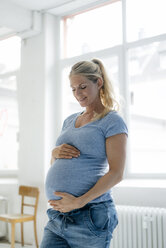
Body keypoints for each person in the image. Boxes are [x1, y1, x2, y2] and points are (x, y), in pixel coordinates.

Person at [40, 58, 128, 248]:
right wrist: (54, 152)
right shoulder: (69, 121)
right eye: (73, 89)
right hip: (57, 217)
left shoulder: (112, 121)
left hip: (90, 215)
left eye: (82, 87)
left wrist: (79, 202)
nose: (77, 94)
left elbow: (117, 173)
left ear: (99, 82)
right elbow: (55, 164)